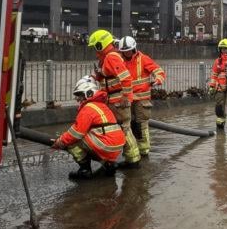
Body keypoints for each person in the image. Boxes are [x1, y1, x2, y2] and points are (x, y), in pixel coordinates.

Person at [51, 75, 125, 180]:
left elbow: (75, 133)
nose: (78, 99)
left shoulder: (88, 108)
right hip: (117, 145)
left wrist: (61, 141)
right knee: (89, 139)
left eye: (80, 95)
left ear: (88, 93)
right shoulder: (101, 106)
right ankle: (109, 165)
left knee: (72, 140)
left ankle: (85, 170)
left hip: (106, 144)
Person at [88, 28, 141, 168]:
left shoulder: (111, 57)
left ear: (100, 45)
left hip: (118, 101)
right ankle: (131, 158)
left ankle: (133, 159)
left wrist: (125, 97)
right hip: (114, 100)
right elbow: (110, 76)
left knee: (124, 128)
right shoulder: (109, 57)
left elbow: (125, 78)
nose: (95, 50)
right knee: (122, 128)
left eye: (95, 46)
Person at [118, 35, 166, 159]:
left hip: (141, 99)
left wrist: (158, 80)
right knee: (127, 125)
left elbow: (158, 71)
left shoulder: (143, 59)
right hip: (126, 99)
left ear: (133, 49)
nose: (125, 53)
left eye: (127, 51)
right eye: (123, 51)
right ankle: (131, 150)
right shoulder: (119, 60)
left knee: (141, 124)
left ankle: (143, 150)